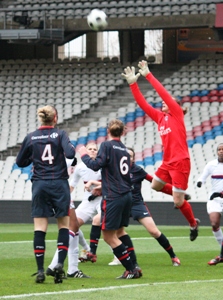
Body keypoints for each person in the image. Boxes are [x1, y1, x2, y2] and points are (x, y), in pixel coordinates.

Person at [122, 62, 199, 241]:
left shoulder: (176, 115)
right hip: (167, 162)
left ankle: (193, 223)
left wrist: (148, 75)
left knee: (178, 202)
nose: (164, 102)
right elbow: (143, 104)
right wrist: (133, 83)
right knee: (155, 185)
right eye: (163, 103)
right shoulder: (160, 118)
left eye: (168, 102)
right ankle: (178, 192)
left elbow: (163, 93)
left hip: (180, 161)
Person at [16, 105, 75, 284]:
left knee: (40, 228)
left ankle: (41, 270)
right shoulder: (61, 134)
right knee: (63, 226)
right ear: (55, 118)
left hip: (40, 184)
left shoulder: (31, 136)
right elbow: (71, 154)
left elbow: (20, 161)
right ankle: (58, 267)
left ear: (41, 118)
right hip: (59, 183)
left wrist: (33, 158)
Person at [78, 119, 141, 279]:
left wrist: (83, 153)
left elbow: (94, 165)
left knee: (108, 236)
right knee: (120, 232)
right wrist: (103, 186)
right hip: (126, 195)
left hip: (114, 197)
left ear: (108, 131)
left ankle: (131, 269)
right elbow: (118, 175)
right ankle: (135, 267)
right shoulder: (125, 151)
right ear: (123, 132)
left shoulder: (107, 145)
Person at [46, 143, 102, 279]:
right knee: (74, 227)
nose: (93, 151)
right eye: (90, 149)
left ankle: (70, 267)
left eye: (95, 149)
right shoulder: (80, 167)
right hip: (87, 202)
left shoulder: (103, 164)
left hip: (104, 200)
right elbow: (71, 186)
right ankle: (68, 268)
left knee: (107, 227)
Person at [197, 143, 223, 258]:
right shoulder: (211, 165)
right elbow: (202, 177)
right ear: (217, 152)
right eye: (219, 149)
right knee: (214, 223)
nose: (221, 151)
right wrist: (200, 182)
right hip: (214, 199)